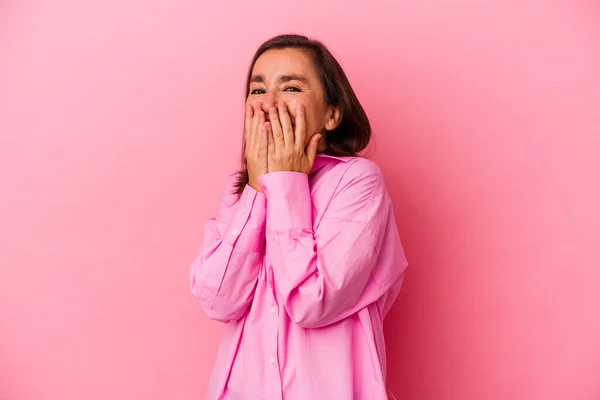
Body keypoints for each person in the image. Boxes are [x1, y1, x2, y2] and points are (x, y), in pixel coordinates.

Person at [189, 33, 408, 400]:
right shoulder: (241, 190)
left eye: (290, 87)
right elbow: (218, 300)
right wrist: (259, 190)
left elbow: (312, 301)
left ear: (333, 114)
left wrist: (286, 184)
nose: (269, 104)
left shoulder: (356, 182)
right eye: (257, 91)